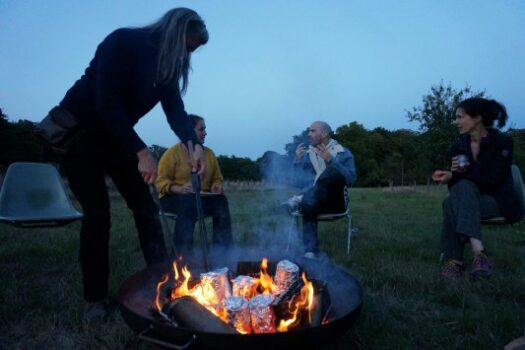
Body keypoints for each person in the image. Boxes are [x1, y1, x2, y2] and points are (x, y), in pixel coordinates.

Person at [56, 8, 209, 321]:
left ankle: (163, 282)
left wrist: (193, 146)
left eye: (192, 51)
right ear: (175, 32)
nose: (187, 54)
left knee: (146, 208)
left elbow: (175, 110)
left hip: (117, 137)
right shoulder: (123, 42)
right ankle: (95, 299)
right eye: (188, 46)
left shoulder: (166, 67)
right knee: (98, 214)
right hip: (82, 133)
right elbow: (106, 104)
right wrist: (141, 151)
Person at [432, 97, 524, 278]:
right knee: (454, 198)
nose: (456, 122)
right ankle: (479, 253)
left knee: (452, 202)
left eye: (460, 117)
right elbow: (457, 185)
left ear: (477, 118)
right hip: (470, 199)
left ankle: (456, 261)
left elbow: (493, 180)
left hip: (497, 200)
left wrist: (459, 176)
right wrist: (451, 176)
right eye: (456, 118)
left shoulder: (503, 142)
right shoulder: (458, 146)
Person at [156, 115, 233, 258]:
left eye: (205, 129)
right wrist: (178, 188)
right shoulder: (172, 154)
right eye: (201, 129)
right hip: (172, 198)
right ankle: (181, 257)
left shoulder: (208, 154)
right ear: (189, 131)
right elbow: (159, 181)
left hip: (200, 198)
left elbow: (217, 178)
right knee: (189, 202)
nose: (205, 133)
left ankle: (222, 252)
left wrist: (216, 186)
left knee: (221, 201)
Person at [283, 121, 357, 258]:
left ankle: (297, 200)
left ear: (324, 134)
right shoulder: (307, 156)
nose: (308, 134)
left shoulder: (342, 153)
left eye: (312, 131)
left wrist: (331, 160)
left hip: (335, 202)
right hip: (312, 202)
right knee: (309, 200)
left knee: (332, 175)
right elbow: (296, 182)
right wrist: (297, 162)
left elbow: (351, 179)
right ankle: (310, 251)